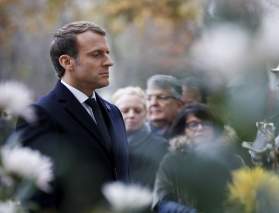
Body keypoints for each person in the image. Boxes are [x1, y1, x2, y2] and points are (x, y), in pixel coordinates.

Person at [14, 21, 128, 213]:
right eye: (96, 54)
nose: (109, 61)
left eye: (107, 53)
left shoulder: (114, 112)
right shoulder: (39, 116)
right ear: (67, 62)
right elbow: (36, 195)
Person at [153, 104, 240, 213]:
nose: (200, 128)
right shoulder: (171, 161)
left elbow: (245, 197)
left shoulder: (232, 159)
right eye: (193, 124)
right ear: (183, 130)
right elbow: (161, 201)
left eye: (206, 124)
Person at [112, 86, 167, 189]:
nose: (131, 115)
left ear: (146, 113)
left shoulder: (161, 146)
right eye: (125, 110)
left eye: (137, 110)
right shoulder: (104, 142)